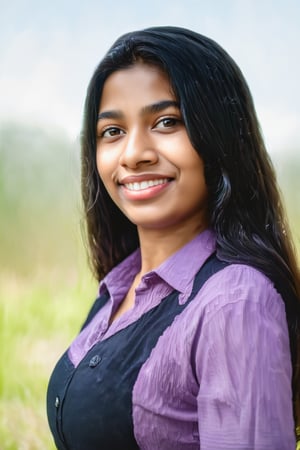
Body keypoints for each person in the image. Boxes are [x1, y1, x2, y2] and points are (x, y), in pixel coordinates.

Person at [47, 26, 300, 449]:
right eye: (113, 131)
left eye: (166, 122)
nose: (134, 153)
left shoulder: (235, 302)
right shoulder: (119, 287)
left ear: (218, 137)